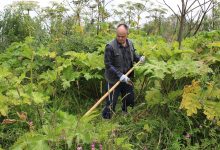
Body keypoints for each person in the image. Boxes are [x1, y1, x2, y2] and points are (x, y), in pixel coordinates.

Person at [102, 23, 145, 119]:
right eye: (118, 36)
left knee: (129, 98)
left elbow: (133, 56)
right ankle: (106, 119)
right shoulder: (110, 46)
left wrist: (139, 59)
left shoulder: (130, 43)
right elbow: (108, 65)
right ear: (116, 34)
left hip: (127, 77)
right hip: (114, 80)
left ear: (127, 34)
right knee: (110, 103)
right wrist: (120, 75)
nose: (120, 38)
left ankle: (125, 115)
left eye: (123, 36)